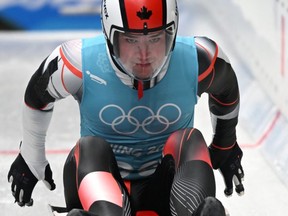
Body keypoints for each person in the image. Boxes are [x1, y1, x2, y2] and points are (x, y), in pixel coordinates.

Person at [8, 0, 245, 215]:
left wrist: (225, 143)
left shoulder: (198, 57)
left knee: (191, 139)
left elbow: (226, 88)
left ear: (171, 35)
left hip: (166, 189)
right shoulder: (77, 60)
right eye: (131, 40)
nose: (144, 55)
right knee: (90, 147)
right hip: (100, 186)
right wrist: (31, 156)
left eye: (155, 39)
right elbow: (37, 97)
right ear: (110, 37)